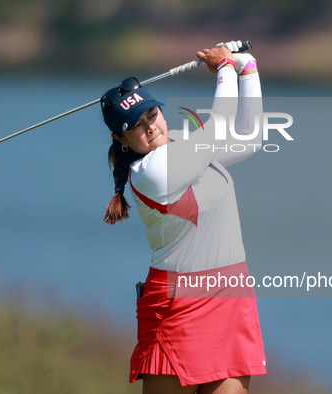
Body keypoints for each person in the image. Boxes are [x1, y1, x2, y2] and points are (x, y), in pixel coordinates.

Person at [100, 42, 265, 394]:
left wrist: (246, 69)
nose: (151, 127)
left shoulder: (180, 144)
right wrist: (224, 69)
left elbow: (248, 139)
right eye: (137, 125)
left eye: (151, 115)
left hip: (230, 293)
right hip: (179, 305)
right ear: (120, 138)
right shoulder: (151, 172)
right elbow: (218, 125)